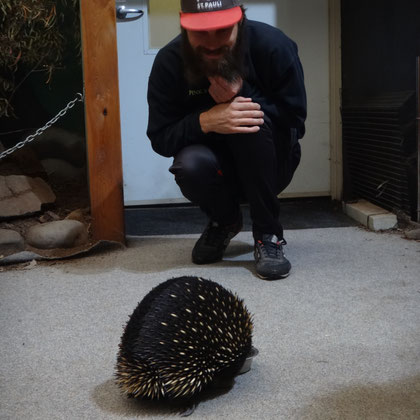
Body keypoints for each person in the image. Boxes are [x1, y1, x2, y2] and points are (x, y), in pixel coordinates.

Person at [147, 0, 307, 280]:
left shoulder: (273, 46)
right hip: (214, 169)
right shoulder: (169, 61)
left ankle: (268, 233)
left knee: (246, 122)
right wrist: (206, 121)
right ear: (184, 26)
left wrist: (243, 95)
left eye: (221, 31)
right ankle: (225, 221)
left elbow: (295, 121)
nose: (211, 43)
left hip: (272, 164)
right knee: (189, 165)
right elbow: (161, 139)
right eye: (200, 32)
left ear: (239, 21)